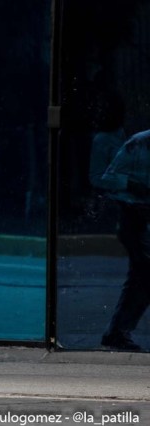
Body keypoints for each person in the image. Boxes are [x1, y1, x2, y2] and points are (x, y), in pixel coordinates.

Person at [98, 129, 150, 351]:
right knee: (143, 275)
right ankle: (117, 331)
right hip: (134, 216)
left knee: (142, 276)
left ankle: (118, 331)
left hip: (141, 216)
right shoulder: (139, 143)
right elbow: (107, 178)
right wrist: (132, 184)